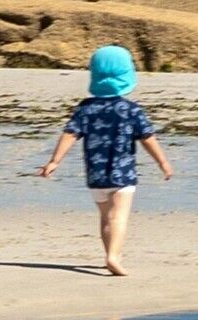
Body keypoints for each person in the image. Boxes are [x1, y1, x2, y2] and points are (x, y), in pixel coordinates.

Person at [36, 43, 179, 275]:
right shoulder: (131, 109)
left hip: (95, 174)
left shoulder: (86, 108)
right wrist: (162, 162)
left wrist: (54, 162)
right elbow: (147, 138)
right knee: (118, 216)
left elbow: (70, 134)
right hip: (122, 174)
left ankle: (112, 254)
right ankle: (113, 256)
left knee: (105, 217)